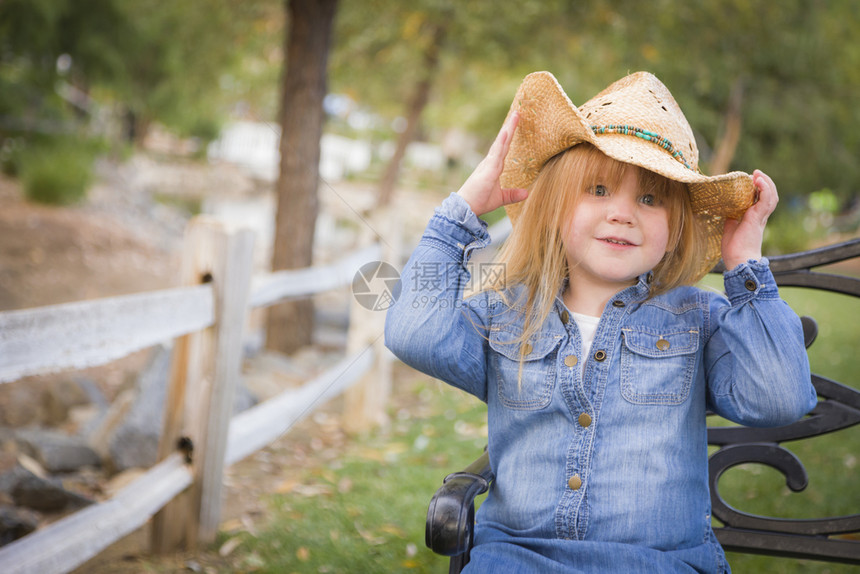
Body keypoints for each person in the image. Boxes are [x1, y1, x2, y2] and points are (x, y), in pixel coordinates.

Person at [384, 71, 817, 573]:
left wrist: (744, 265)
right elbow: (413, 332)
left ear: (675, 228)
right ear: (554, 208)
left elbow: (779, 398)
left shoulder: (701, 320)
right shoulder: (509, 315)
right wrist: (462, 212)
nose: (623, 214)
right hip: (519, 559)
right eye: (598, 189)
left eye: (650, 199)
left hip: (657, 562)